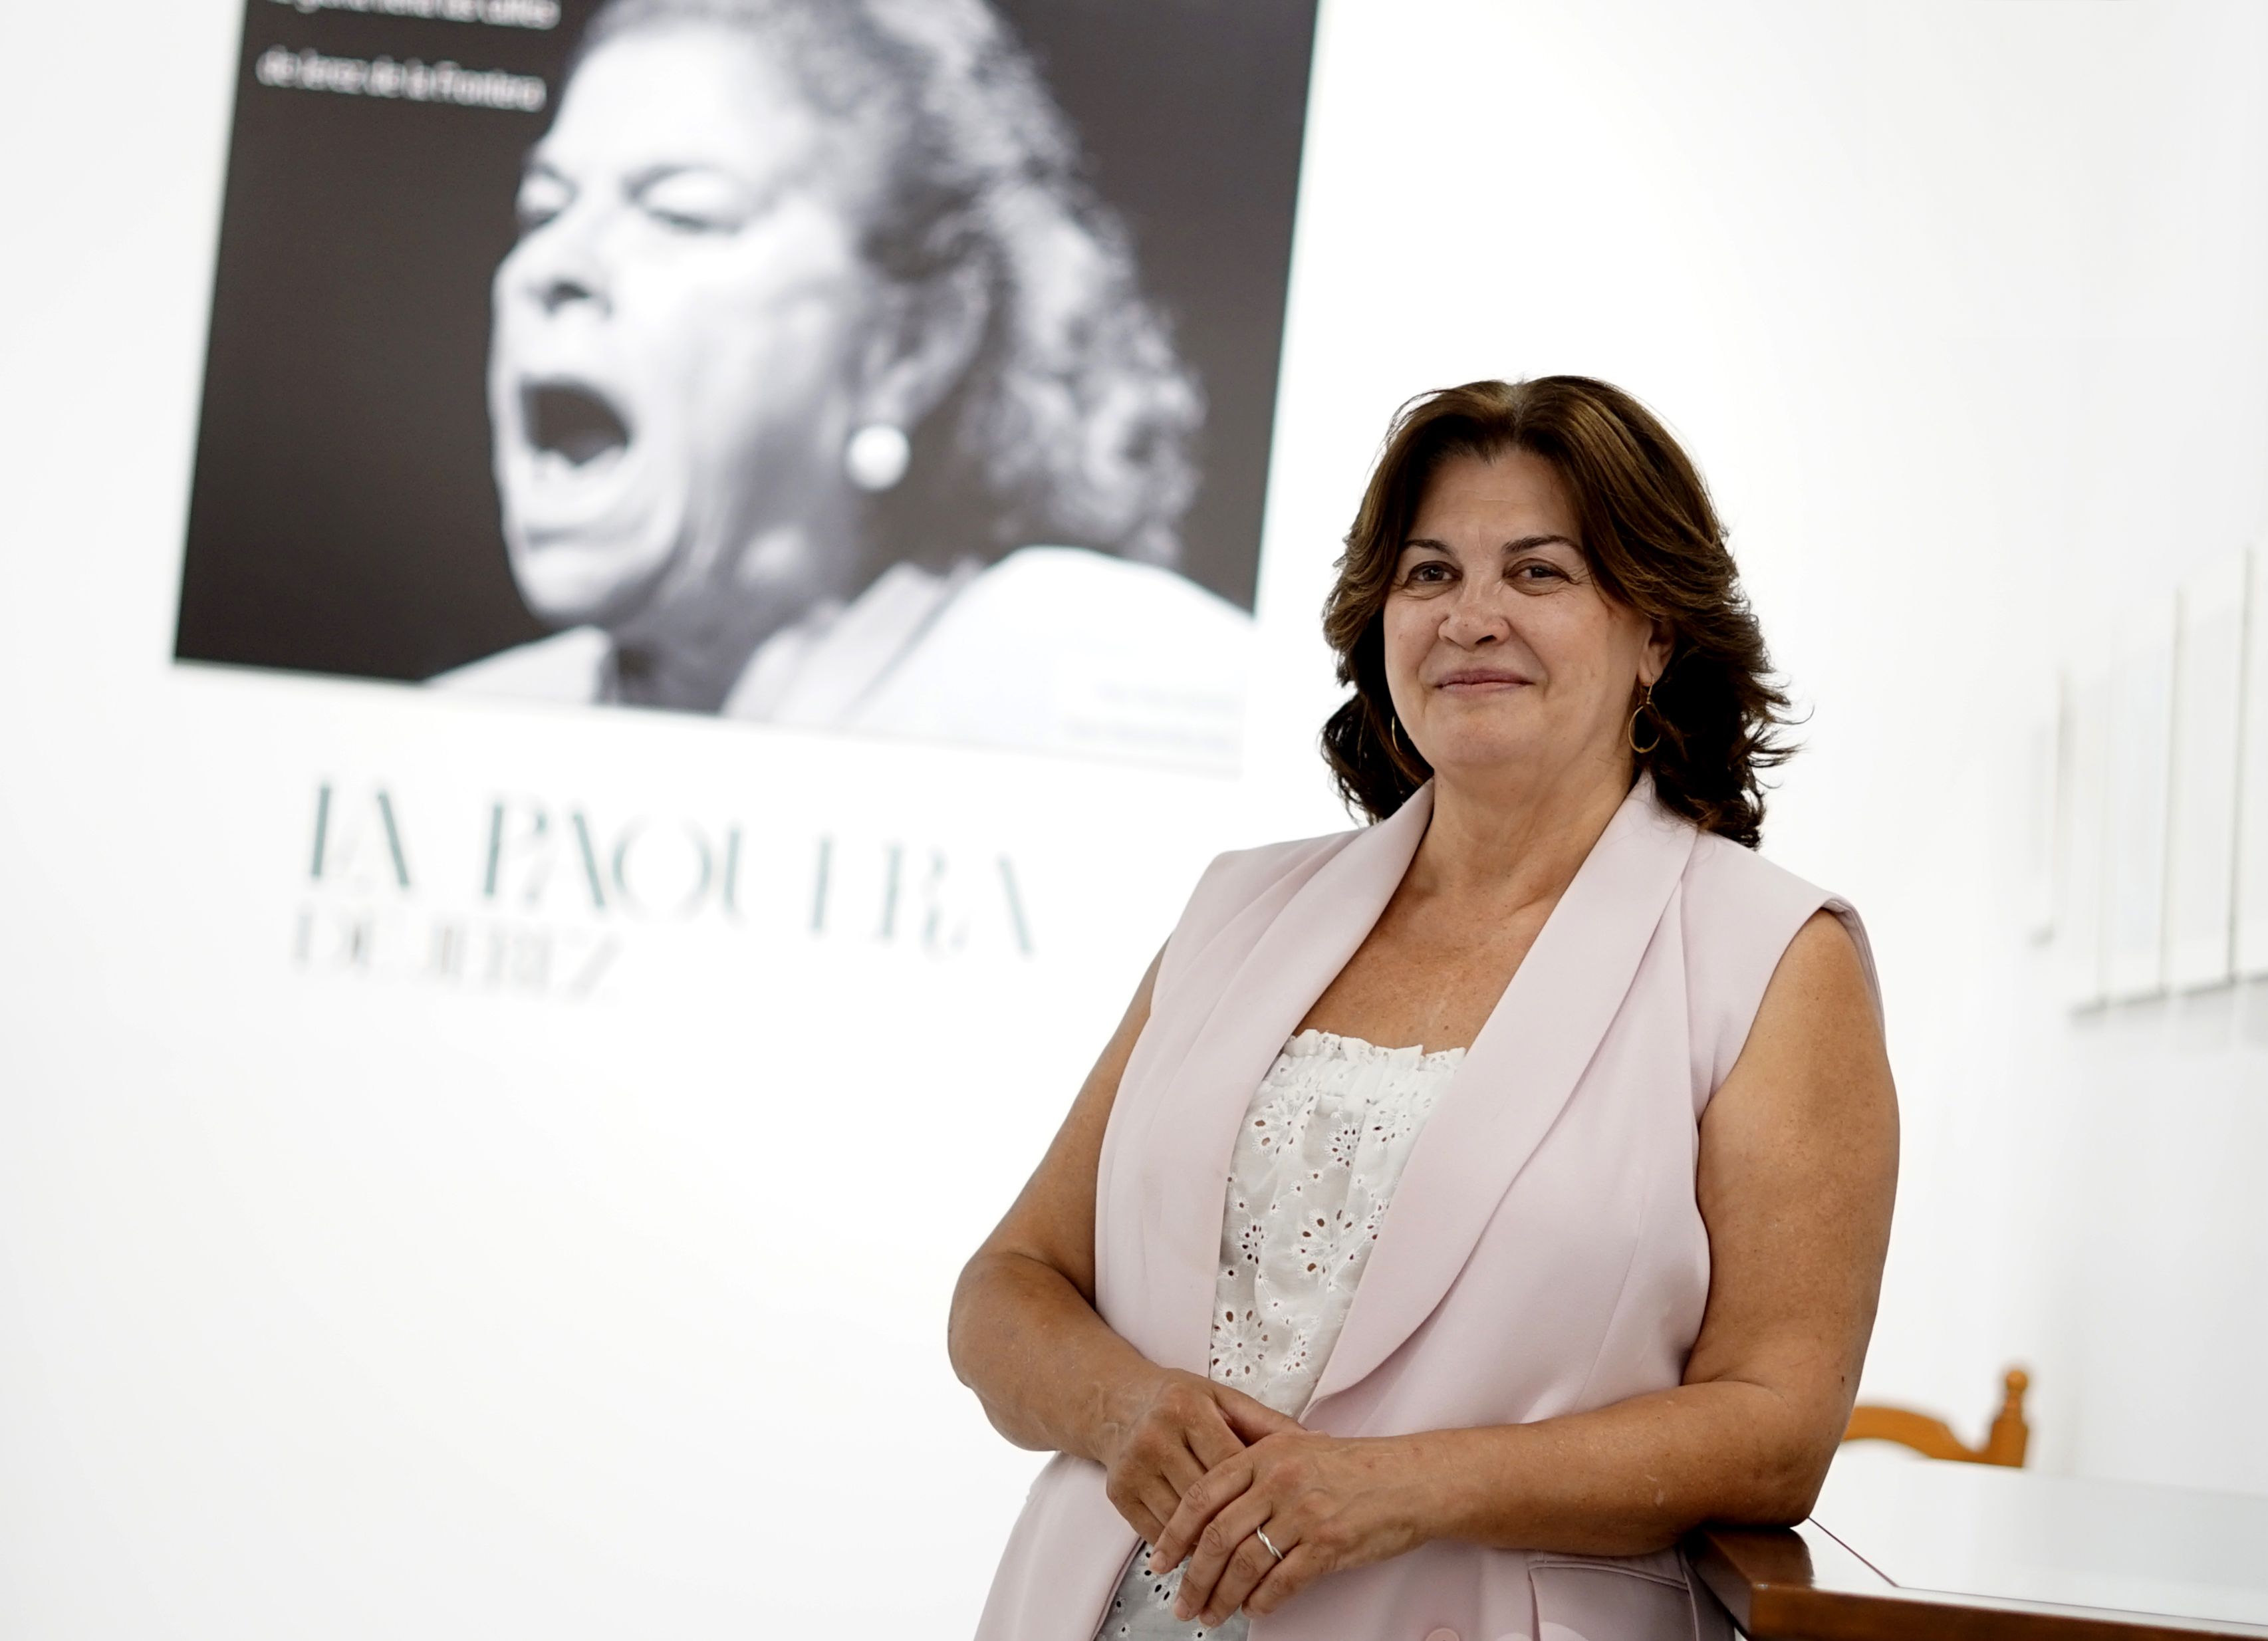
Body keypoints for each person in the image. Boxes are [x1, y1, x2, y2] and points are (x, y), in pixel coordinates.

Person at [949, 377, 1900, 1638]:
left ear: (1657, 634)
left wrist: (1399, 1488)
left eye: (1540, 572)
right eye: (1429, 573)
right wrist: (1119, 1410)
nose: (1471, 617)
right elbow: (1008, 1285)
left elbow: (1776, 1428)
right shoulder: (1235, 909)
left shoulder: (1771, 958)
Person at [433, 0, 1249, 771]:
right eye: (542, 210)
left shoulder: (1113, 677)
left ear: (909, 348)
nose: (549, 265)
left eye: (681, 214)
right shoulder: (457, 727)